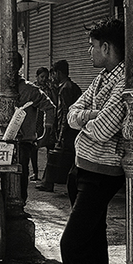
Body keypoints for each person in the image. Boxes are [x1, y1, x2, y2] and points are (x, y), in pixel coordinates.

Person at [57, 17, 126, 264]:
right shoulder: (102, 78)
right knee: (93, 246)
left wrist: (86, 118)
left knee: (70, 245)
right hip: (82, 168)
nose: (88, 52)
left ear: (106, 47)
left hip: (101, 173)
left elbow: (102, 129)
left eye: (92, 46)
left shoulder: (124, 81)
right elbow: (74, 112)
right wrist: (89, 116)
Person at [0, 52, 55, 207]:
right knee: (3, 176)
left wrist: (46, 133)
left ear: (18, 67)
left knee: (20, 174)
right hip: (2, 141)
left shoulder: (30, 90)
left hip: (23, 142)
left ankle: (18, 206)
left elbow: (49, 108)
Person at [36, 60, 82, 192]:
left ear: (59, 73)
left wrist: (60, 133)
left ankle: (48, 183)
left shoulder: (65, 89)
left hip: (68, 130)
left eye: (54, 73)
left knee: (59, 156)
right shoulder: (72, 87)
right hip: (73, 128)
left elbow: (64, 113)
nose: (52, 77)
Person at [30, 66, 55, 181]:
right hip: (36, 120)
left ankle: (48, 175)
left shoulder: (50, 89)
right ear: (37, 77)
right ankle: (35, 172)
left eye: (46, 77)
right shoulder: (33, 89)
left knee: (50, 146)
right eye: (42, 77)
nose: (44, 79)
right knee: (34, 146)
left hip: (47, 120)